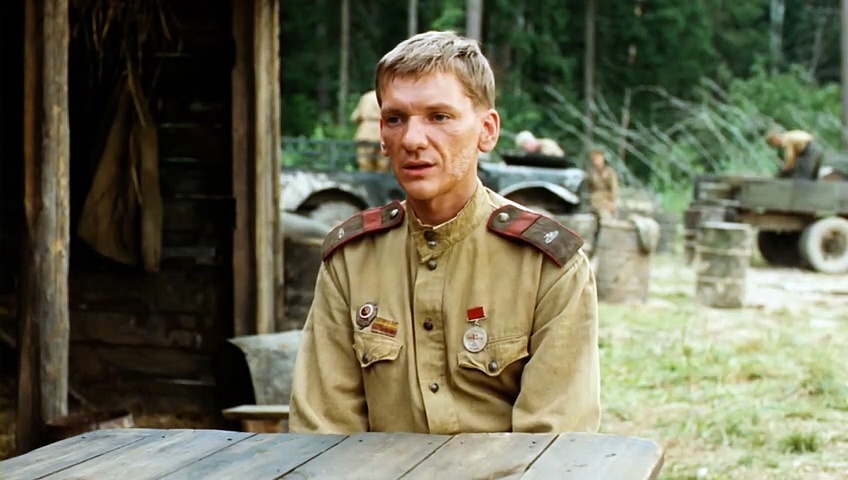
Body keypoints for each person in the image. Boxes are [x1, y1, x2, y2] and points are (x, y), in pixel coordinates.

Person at [289, 31, 600, 435]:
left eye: (439, 117)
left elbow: (553, 445)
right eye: (396, 119)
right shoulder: (352, 261)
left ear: (487, 130)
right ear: (381, 135)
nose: (412, 140)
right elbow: (323, 430)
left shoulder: (547, 266)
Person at [351, 89, 388, 171]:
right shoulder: (388, 96)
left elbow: (356, 116)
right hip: (384, 132)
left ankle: (366, 178)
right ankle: (381, 178)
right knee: (383, 163)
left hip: (366, 133)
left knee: (364, 161)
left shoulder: (366, 97)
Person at [587, 149, 619, 219]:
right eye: (594, 160)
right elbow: (589, 189)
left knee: (606, 216)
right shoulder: (591, 174)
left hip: (607, 201)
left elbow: (614, 189)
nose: (596, 162)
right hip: (595, 201)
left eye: (598, 159)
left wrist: (613, 203)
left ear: (603, 160)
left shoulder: (610, 173)